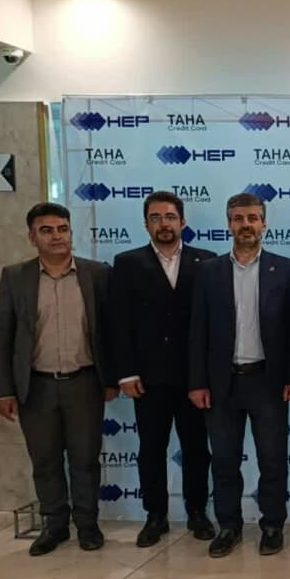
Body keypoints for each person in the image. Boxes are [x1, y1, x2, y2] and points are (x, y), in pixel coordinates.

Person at [0, 202, 115, 556]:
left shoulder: (97, 274)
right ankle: (55, 525)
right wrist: (3, 390)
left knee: (85, 459)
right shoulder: (15, 277)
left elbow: (110, 332)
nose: (56, 236)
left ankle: (88, 525)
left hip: (84, 383)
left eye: (62, 229)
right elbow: (3, 337)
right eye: (46, 230)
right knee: (44, 460)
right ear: (32, 237)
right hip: (36, 386)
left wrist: (111, 379)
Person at [188, 193, 290, 558]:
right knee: (224, 460)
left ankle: (272, 525)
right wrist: (197, 382)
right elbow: (198, 330)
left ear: (264, 224)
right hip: (221, 383)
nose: (246, 225)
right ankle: (229, 526)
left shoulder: (285, 269)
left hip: (267, 380)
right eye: (239, 219)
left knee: (272, 459)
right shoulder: (208, 271)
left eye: (253, 218)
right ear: (229, 224)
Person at [111, 191, 217, 547]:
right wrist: (126, 372)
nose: (164, 224)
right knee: (151, 449)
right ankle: (155, 516)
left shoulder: (207, 261)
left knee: (197, 449)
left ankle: (198, 512)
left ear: (182, 222)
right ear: (146, 224)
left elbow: (214, 324)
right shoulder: (127, 263)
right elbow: (118, 323)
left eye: (170, 217)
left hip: (194, 379)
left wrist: (207, 375)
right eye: (155, 218)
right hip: (148, 379)